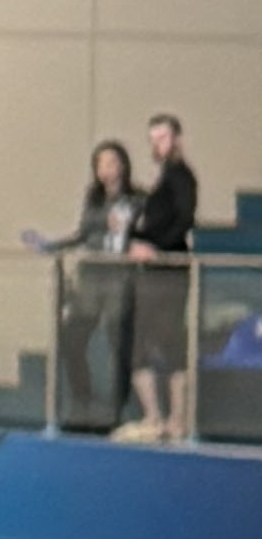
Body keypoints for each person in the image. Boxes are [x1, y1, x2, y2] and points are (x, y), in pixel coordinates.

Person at [26, 138, 144, 432]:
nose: (106, 169)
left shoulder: (137, 198)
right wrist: (51, 246)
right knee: (73, 337)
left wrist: (128, 233)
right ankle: (82, 401)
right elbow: (83, 233)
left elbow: (144, 234)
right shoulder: (94, 198)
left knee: (119, 342)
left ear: (123, 165)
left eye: (112, 162)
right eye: (101, 164)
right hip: (91, 275)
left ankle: (116, 411)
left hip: (120, 276)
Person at [129, 110, 201, 443]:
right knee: (144, 343)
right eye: (153, 139)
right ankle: (155, 417)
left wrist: (156, 248)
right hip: (155, 270)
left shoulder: (182, 177)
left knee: (170, 342)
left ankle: (176, 418)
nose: (158, 145)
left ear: (177, 139)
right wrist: (135, 239)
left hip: (169, 270)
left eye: (163, 138)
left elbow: (184, 220)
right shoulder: (165, 179)